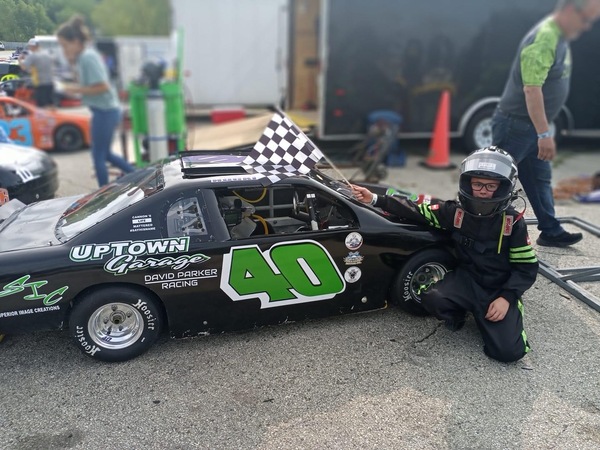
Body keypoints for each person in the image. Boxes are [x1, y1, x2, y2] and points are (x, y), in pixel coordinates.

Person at [352, 147, 539, 363]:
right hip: (467, 280)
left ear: (504, 186)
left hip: (498, 288)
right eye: (477, 184)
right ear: (467, 183)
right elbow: (417, 209)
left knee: (509, 354)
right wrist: (375, 199)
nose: (482, 191)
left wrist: (507, 298)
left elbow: (526, 268)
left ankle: (502, 311)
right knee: (431, 297)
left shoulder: (513, 223)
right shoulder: (455, 212)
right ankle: (462, 312)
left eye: (490, 186)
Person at [491, 0, 600, 247]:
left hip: (531, 125)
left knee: (539, 180)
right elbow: (531, 89)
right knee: (495, 182)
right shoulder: (544, 38)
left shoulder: (560, 37)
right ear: (570, 10)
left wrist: (541, 131)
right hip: (516, 125)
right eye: (586, 20)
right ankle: (476, 233)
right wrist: (544, 134)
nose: (586, 27)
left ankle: (551, 231)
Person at [56, 15, 135, 187]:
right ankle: (137, 176)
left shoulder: (87, 57)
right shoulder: (84, 57)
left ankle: (104, 192)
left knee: (98, 155)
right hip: (104, 110)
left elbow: (102, 86)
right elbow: (88, 83)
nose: (63, 50)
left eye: (64, 45)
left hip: (105, 111)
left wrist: (75, 90)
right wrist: (72, 65)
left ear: (76, 41)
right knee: (104, 154)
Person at [18, 38, 55, 108]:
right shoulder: (47, 54)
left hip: (40, 83)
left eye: (29, 46)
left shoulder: (32, 56)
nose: (29, 48)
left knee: (41, 106)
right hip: (50, 83)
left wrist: (19, 59)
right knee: (50, 104)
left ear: (33, 46)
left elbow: (23, 67)